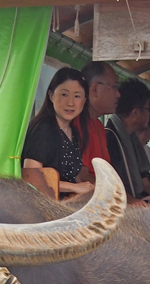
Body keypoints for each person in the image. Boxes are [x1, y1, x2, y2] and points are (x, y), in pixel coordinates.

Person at [20, 67, 94, 198]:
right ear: (51, 96)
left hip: (62, 206)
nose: (70, 103)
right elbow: (31, 178)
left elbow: (73, 175)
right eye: (64, 94)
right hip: (41, 208)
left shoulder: (74, 132)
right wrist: (74, 187)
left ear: (85, 100)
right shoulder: (43, 128)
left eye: (77, 96)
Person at [103, 79, 150, 201]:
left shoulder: (130, 138)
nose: (149, 115)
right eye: (148, 110)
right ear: (135, 112)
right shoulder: (110, 138)